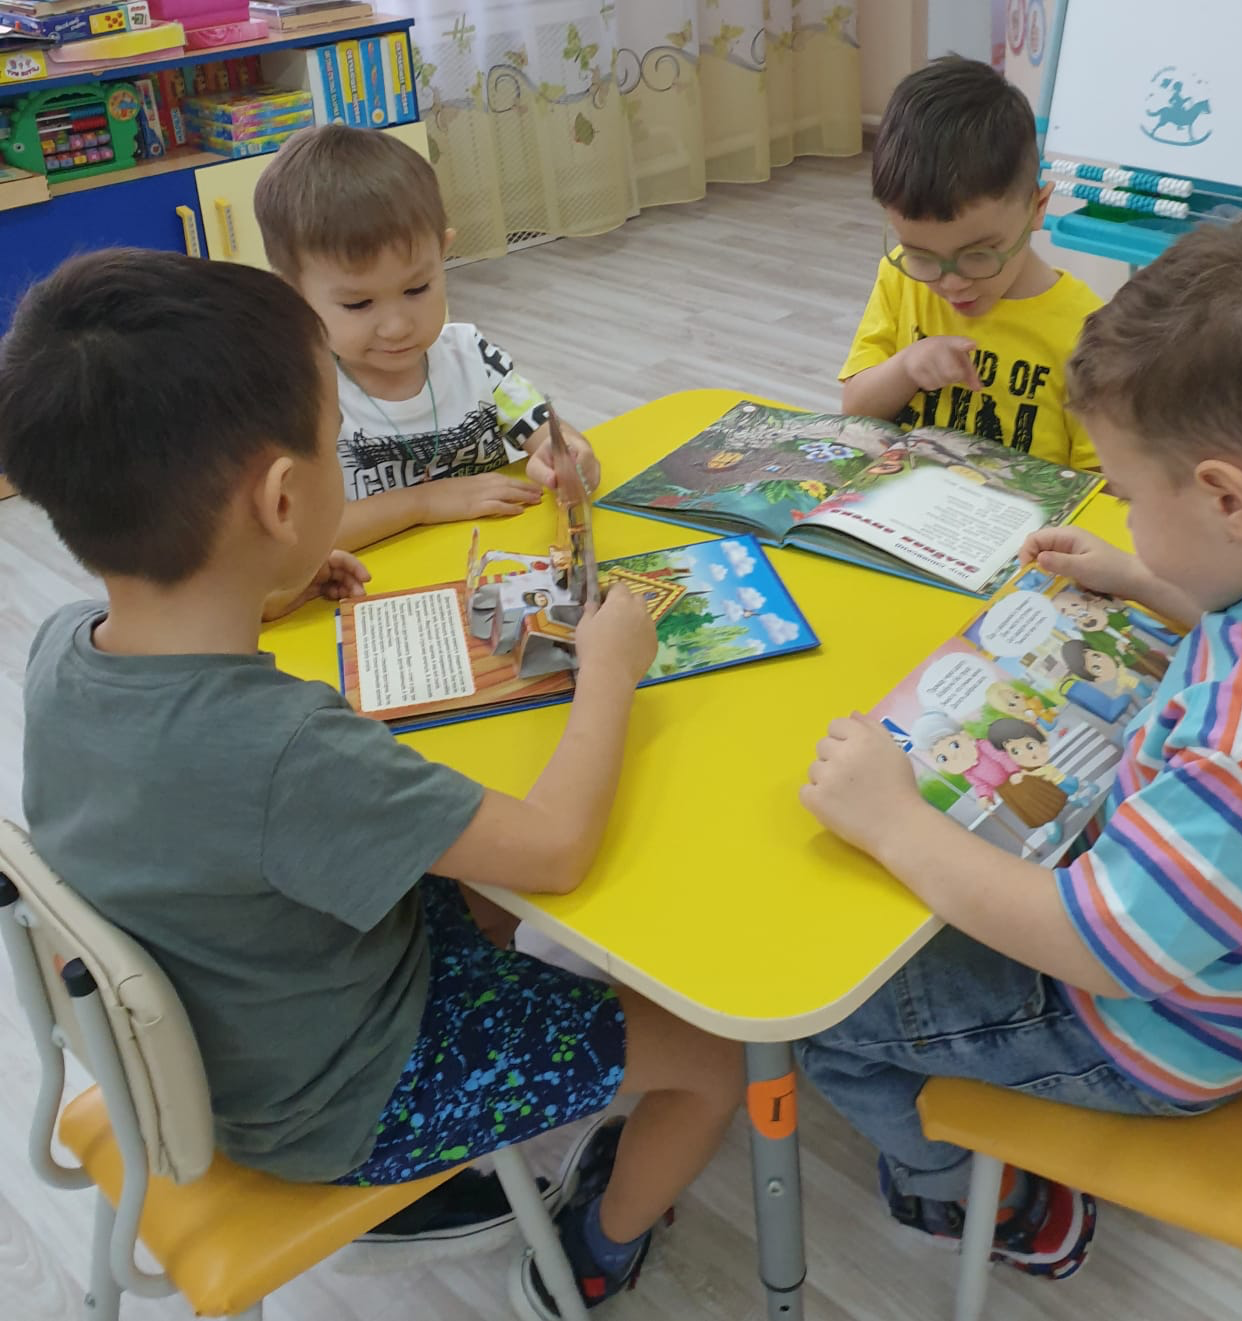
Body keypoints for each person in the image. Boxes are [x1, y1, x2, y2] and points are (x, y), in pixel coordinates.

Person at [0, 250, 742, 1316]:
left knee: (474, 874)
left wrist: (269, 586)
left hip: (239, 1014)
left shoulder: (64, 645)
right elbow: (556, 849)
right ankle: (594, 1249)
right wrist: (611, 671)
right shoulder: (286, 748)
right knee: (717, 1055)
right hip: (335, 1100)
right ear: (284, 497)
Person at [796, 219, 1242, 1282]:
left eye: (1131, 497)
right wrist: (1151, 581)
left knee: (821, 1008)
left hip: (1149, 1032)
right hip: (1236, 950)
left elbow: (1103, 946)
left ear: (1229, 498)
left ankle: (992, 1201)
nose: (1128, 519)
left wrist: (893, 822)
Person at [253, 124, 599, 554]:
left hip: (494, 564)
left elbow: (546, 431)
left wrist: (568, 457)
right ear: (293, 292)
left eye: (417, 289)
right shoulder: (304, 398)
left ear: (442, 253)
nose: (397, 326)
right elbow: (304, 535)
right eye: (359, 304)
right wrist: (423, 503)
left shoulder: (472, 357)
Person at [839, 56, 1102, 468]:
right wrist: (907, 367)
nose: (952, 283)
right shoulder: (900, 278)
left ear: (1038, 207)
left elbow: (1100, 481)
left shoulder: (1090, 333)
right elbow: (855, 410)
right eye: (921, 256)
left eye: (978, 255)